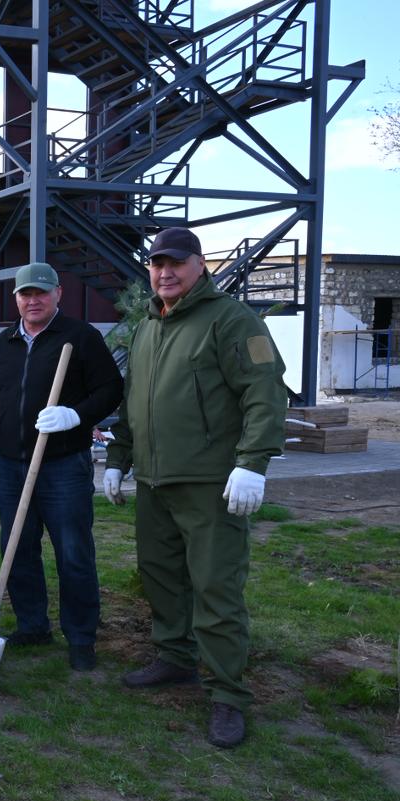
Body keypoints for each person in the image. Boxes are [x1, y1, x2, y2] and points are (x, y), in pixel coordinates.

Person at [105, 226, 287, 749]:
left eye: (176, 263)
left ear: (199, 264)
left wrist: (253, 462)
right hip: (153, 481)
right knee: (160, 575)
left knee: (215, 587)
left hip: (210, 483)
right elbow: (131, 401)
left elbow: (264, 390)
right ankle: (175, 658)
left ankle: (228, 693)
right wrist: (119, 458)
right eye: (157, 263)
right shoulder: (147, 328)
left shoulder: (232, 320)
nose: (166, 271)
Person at [0, 263, 123, 671]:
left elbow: (111, 389)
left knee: (73, 551)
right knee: (17, 548)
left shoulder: (80, 337)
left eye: (41, 292)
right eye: (25, 294)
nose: (32, 300)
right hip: (12, 466)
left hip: (62, 467)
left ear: (58, 293)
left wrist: (76, 415)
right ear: (16, 298)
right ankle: (33, 624)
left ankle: (80, 637)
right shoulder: (4, 343)